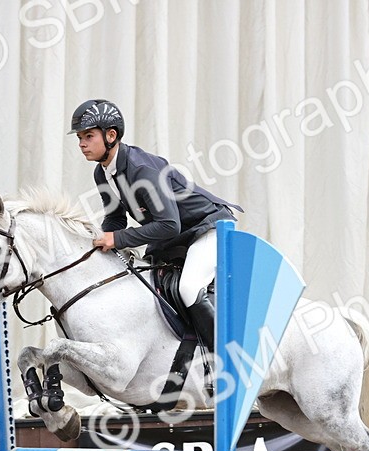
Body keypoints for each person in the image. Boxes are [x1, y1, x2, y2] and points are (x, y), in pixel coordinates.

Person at [69, 99, 241, 350]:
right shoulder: (102, 172)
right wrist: (98, 239)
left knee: (189, 288)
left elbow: (169, 224)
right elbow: (116, 218)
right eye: (79, 137)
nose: (82, 143)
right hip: (174, 237)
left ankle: (229, 357)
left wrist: (116, 239)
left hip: (206, 229)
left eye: (88, 136)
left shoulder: (141, 169)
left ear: (111, 135)